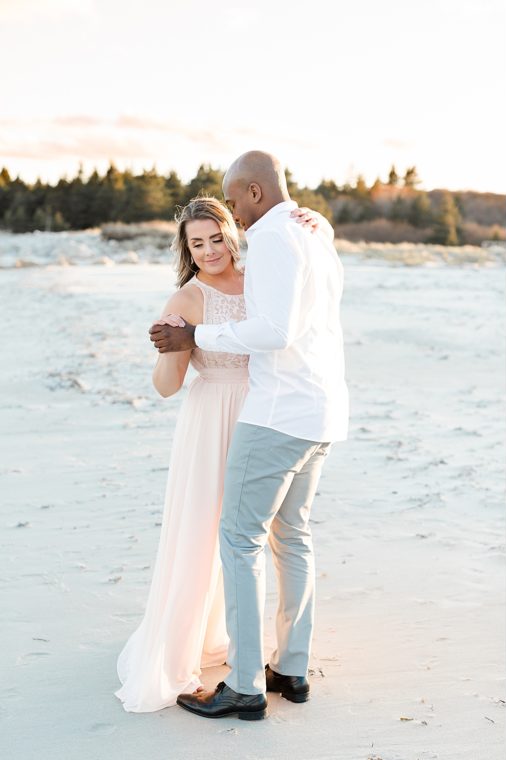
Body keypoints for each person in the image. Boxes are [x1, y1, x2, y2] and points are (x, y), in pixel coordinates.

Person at [150, 150, 348, 720]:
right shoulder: (313, 234)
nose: (235, 216)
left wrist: (197, 336)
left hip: (279, 412)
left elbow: (274, 330)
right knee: (294, 536)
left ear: (256, 194)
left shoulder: (273, 239)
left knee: (239, 541)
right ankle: (291, 667)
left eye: (235, 203)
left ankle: (243, 684)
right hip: (322, 408)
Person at [116, 197, 323, 712]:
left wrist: (319, 225)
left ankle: (265, 658)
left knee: (272, 535)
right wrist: (168, 348)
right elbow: (167, 386)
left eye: (216, 237)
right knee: (207, 530)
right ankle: (188, 643)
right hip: (212, 417)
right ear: (187, 249)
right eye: (197, 243)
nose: (210, 251)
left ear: (234, 232)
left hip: (267, 412)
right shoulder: (188, 298)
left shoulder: (260, 279)